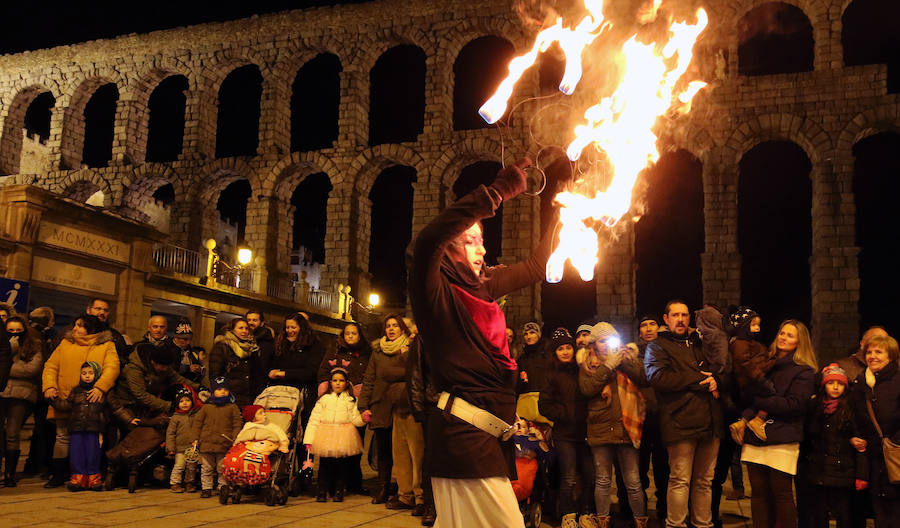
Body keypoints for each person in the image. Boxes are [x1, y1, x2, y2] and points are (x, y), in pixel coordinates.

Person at [409, 157, 557, 527]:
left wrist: (564, 206)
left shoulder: (484, 287)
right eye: (471, 241)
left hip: (486, 439)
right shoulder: (433, 293)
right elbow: (427, 241)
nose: (482, 251)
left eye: (482, 242)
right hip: (463, 440)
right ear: (449, 249)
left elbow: (539, 266)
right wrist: (497, 192)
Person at [644, 299, 724, 528]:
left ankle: (703, 524)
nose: (681, 319)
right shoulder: (657, 346)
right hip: (680, 422)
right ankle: (675, 524)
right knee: (680, 480)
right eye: (676, 315)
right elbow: (658, 378)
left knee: (704, 481)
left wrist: (716, 380)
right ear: (666, 319)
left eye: (685, 315)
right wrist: (700, 380)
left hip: (710, 421)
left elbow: (720, 370)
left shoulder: (701, 343)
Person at [737, 319, 816, 528]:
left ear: (800, 342)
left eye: (790, 335)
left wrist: (760, 401)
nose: (783, 337)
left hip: (783, 436)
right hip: (756, 435)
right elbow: (746, 393)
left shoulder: (804, 371)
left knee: (782, 494)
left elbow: (794, 404)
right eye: (782, 333)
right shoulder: (766, 363)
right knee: (759, 493)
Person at [578, 322, 648, 528]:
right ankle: (603, 521)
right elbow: (587, 389)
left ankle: (641, 522)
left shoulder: (627, 358)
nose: (606, 345)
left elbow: (643, 379)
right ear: (594, 344)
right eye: (602, 341)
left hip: (626, 428)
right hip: (600, 427)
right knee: (602, 480)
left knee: (633, 482)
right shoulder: (587, 363)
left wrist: (622, 362)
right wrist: (608, 366)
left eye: (610, 340)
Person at [42, 314, 120, 488]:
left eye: (80, 325)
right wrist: (49, 386)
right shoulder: (65, 343)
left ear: (91, 329)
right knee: (62, 437)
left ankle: (91, 475)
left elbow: (112, 367)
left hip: (92, 400)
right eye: (75, 325)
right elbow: (51, 366)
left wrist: (100, 387)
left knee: (91, 440)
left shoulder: (106, 345)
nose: (75, 329)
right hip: (64, 397)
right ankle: (59, 474)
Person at [539, 328, 592, 528]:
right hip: (565, 434)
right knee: (568, 476)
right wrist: (565, 415)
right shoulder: (550, 374)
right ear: (555, 352)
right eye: (560, 349)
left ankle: (586, 513)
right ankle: (568, 514)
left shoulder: (582, 368)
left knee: (589, 475)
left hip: (587, 432)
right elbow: (544, 405)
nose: (565, 352)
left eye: (568, 347)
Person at [358, 315, 414, 506]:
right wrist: (363, 405)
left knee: (403, 450)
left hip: (402, 405)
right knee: (383, 450)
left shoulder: (409, 348)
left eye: (395, 326)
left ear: (402, 330)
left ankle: (404, 490)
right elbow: (369, 379)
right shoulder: (378, 351)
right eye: (388, 326)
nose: (391, 329)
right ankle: (383, 487)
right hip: (380, 403)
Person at [806, 363, 867, 528]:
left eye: (840, 384)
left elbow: (860, 443)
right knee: (819, 513)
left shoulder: (850, 409)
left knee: (843, 513)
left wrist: (861, 475)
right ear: (824, 385)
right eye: (831, 383)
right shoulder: (815, 407)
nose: (835, 387)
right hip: (819, 469)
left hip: (843, 471)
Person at [851, 334, 900, 527]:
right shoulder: (861, 382)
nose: (872, 356)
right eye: (869, 352)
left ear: (891, 356)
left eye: (879, 352)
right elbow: (854, 415)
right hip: (873, 456)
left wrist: (895, 441)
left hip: (895, 454)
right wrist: (856, 436)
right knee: (880, 508)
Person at [317, 321, 372, 495]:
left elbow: (371, 375)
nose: (350, 336)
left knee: (355, 446)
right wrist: (326, 391)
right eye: (347, 333)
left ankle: (354, 482)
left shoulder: (366, 353)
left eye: (354, 333)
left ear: (359, 335)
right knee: (333, 449)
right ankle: (332, 483)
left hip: (356, 403)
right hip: (335, 403)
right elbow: (324, 371)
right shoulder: (334, 351)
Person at [304, 367, 367, 503]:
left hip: (344, 434)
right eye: (335, 380)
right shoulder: (324, 399)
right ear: (330, 382)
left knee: (342, 465)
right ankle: (322, 490)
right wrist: (309, 439)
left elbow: (355, 419)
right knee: (325, 464)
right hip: (325, 434)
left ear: (346, 382)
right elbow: (314, 420)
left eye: (341, 380)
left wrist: (363, 418)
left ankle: (339, 490)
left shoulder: (350, 400)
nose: (338, 383)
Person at [50, 361, 107, 491]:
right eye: (84, 373)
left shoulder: (102, 392)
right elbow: (65, 405)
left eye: (91, 373)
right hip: (77, 427)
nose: (87, 376)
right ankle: (77, 478)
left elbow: (113, 408)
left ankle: (93, 478)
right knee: (77, 453)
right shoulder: (76, 391)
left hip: (94, 427)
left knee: (93, 453)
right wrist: (53, 399)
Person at [0, 315, 43, 486]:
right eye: (10, 331)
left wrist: (5, 368)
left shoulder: (34, 345)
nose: (15, 334)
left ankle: (10, 473)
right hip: (2, 392)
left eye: (19, 330)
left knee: (12, 432)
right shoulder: (5, 345)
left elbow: (31, 369)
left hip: (21, 394)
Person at [267, 312, 325, 430]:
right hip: (280, 394)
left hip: (302, 393)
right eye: (287, 327)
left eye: (293, 327)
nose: (290, 330)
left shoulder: (313, 345)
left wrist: (284, 374)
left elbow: (311, 371)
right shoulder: (280, 343)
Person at [634, 314, 668, 520]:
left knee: (664, 468)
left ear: (659, 327)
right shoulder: (633, 354)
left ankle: (664, 511)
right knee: (639, 470)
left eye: (652, 324)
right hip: (640, 419)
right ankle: (639, 513)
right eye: (644, 325)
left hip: (664, 418)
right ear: (639, 331)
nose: (648, 328)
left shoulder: (667, 350)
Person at [192, 375, 242, 498]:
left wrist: (235, 438)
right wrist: (195, 439)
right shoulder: (206, 407)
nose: (223, 391)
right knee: (206, 467)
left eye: (225, 389)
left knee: (222, 467)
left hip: (224, 442)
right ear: (213, 391)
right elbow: (197, 423)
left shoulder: (232, 407)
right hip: (206, 442)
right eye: (219, 389)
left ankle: (222, 487)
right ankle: (206, 488)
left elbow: (237, 424)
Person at [23, 307, 57, 477]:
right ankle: (37, 464)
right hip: (33, 389)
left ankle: (33, 465)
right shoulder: (39, 336)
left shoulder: (39, 334)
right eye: (51, 321)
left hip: (34, 390)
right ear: (47, 322)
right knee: (41, 429)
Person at [209, 318, 259, 408]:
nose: (244, 331)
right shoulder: (222, 347)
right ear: (232, 330)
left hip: (247, 396)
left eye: (246, 328)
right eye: (240, 328)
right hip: (229, 396)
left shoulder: (251, 348)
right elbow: (215, 373)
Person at [166, 387, 202, 493]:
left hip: (193, 448)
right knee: (179, 466)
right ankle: (175, 482)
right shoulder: (176, 417)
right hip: (179, 448)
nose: (185, 403)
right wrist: (171, 448)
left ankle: (189, 483)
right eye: (181, 401)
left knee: (191, 467)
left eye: (187, 400)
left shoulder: (196, 415)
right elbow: (170, 434)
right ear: (177, 404)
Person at [82, 298, 130, 366]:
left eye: (105, 310)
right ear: (88, 310)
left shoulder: (115, 336)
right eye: (98, 309)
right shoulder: (76, 331)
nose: (102, 312)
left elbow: (122, 360)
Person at [246, 310, 274, 399]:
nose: (250, 323)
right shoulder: (239, 340)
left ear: (262, 323)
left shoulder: (268, 342)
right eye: (248, 320)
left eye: (254, 320)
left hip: (259, 387)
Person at [173, 318, 205, 385]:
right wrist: (188, 368)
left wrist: (199, 370)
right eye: (184, 339)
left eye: (190, 339)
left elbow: (203, 371)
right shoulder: (168, 350)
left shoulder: (194, 353)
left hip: (191, 386)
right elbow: (170, 370)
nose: (188, 342)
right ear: (176, 338)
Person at [517, 321, 547, 394]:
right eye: (525, 334)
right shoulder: (521, 359)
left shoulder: (546, 355)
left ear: (538, 335)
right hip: (527, 399)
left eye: (532, 333)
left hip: (545, 399)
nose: (528, 337)